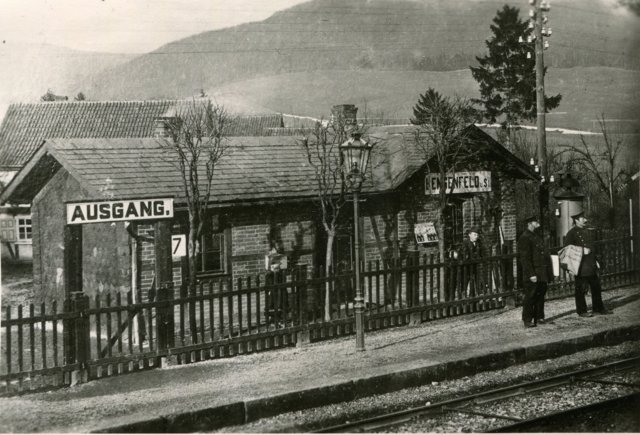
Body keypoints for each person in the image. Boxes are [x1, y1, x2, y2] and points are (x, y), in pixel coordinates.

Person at [563, 212, 612, 317]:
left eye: (584, 218)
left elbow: (593, 248)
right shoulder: (571, 233)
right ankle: (582, 311)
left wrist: (596, 260)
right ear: (576, 220)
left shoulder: (587, 232)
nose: (585, 220)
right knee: (581, 289)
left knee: (596, 287)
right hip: (580, 266)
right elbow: (567, 250)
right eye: (582, 218)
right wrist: (581, 250)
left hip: (590, 264)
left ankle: (598, 308)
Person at [517, 216, 551, 328]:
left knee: (540, 295)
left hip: (541, 271)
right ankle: (527, 319)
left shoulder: (535, 236)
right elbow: (525, 259)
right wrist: (531, 274)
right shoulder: (525, 238)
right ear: (529, 223)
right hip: (533, 272)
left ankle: (539, 317)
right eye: (535, 221)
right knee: (530, 296)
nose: (538, 223)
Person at [462, 227, 483, 297]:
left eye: (477, 235)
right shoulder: (466, 243)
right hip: (468, 266)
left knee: (477, 279)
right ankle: (465, 294)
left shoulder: (479, 243)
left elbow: (482, 253)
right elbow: (465, 254)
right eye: (474, 235)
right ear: (469, 235)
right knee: (467, 280)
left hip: (476, 265)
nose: (476, 237)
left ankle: (476, 294)